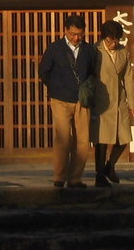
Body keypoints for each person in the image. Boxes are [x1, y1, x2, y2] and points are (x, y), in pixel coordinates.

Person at [39, 13, 98, 188]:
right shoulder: (55, 48)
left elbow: (93, 73)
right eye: (72, 33)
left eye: (79, 34)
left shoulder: (88, 50)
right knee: (63, 138)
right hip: (60, 100)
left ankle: (75, 178)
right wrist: (55, 87)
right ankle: (59, 176)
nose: (76, 37)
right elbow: (44, 71)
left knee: (82, 140)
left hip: (81, 101)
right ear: (65, 30)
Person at [91, 20, 134, 187]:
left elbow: (128, 78)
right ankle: (99, 175)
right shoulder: (95, 51)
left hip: (120, 99)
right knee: (101, 139)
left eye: (117, 40)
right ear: (104, 38)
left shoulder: (123, 52)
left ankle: (110, 166)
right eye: (111, 40)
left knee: (123, 137)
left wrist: (132, 103)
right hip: (101, 100)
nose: (114, 43)